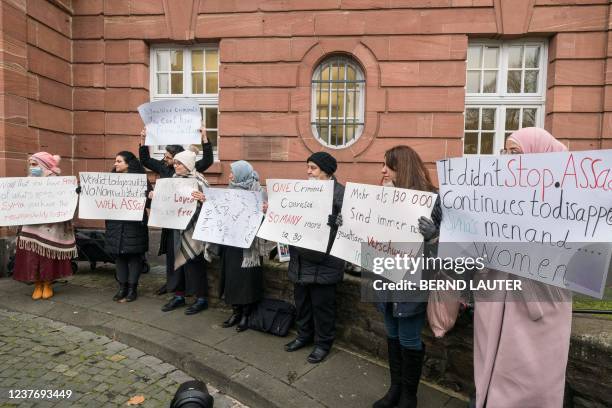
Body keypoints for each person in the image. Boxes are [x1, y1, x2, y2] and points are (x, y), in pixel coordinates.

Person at [472, 127, 572, 408]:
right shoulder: (498, 193)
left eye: (515, 152)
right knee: (491, 375)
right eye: (506, 152)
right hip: (496, 300)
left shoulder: (568, 199)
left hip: (537, 308)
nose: (508, 159)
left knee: (529, 381)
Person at [372, 145, 442, 408]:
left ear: (403, 168)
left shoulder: (432, 200)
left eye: (388, 166)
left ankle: (409, 396)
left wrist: (433, 236)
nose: (382, 170)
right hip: (386, 276)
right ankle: (395, 388)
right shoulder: (382, 197)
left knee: (409, 337)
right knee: (391, 333)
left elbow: (449, 251)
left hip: (414, 282)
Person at [194, 161, 274, 332]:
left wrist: (267, 211)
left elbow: (267, 220)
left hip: (249, 249)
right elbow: (219, 210)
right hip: (230, 245)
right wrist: (206, 201)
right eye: (230, 172)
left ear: (242, 174)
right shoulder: (229, 191)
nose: (229, 176)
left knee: (247, 282)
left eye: (232, 173)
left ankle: (246, 314)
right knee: (231, 279)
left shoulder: (259, 193)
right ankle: (236, 312)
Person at [284, 152, 345, 364]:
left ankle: (323, 344)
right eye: (307, 167)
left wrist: (337, 223)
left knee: (323, 308)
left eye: (313, 168)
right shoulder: (303, 191)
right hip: (300, 260)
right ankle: (304, 336)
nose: (308, 172)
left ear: (327, 171)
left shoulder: (340, 194)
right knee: (302, 304)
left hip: (325, 264)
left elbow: (350, 230)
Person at [139, 127, 214, 295]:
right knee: (172, 254)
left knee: (190, 258)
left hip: (189, 225)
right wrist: (143, 140)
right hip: (170, 219)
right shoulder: (165, 169)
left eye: (170, 158)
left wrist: (205, 139)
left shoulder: (195, 173)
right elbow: (145, 159)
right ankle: (173, 286)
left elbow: (208, 160)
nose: (167, 161)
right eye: (166, 158)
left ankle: (192, 291)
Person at [13, 152, 77, 300]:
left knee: (47, 257)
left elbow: (66, 201)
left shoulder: (57, 182)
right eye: (30, 164)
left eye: (34, 164)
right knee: (32, 257)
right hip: (31, 226)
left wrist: (73, 193)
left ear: (44, 165)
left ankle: (47, 284)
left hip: (51, 227)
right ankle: (37, 284)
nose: (31, 167)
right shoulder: (27, 181)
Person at [157, 148, 210, 315]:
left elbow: (212, 205)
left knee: (194, 263)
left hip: (194, 230)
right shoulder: (172, 180)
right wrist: (156, 196)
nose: (175, 165)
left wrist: (203, 200)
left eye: (179, 163)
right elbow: (167, 201)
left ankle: (201, 299)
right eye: (175, 162)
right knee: (176, 263)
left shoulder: (199, 181)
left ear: (188, 164)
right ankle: (179, 295)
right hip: (176, 228)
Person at [104, 151, 151, 302]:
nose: (115, 164)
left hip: (134, 224)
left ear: (128, 163)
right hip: (115, 223)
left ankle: (132, 289)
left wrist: (148, 195)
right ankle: (122, 287)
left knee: (134, 256)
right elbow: (97, 196)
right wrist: (83, 192)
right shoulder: (109, 179)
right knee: (119, 257)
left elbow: (150, 203)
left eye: (118, 161)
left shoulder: (141, 180)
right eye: (115, 161)